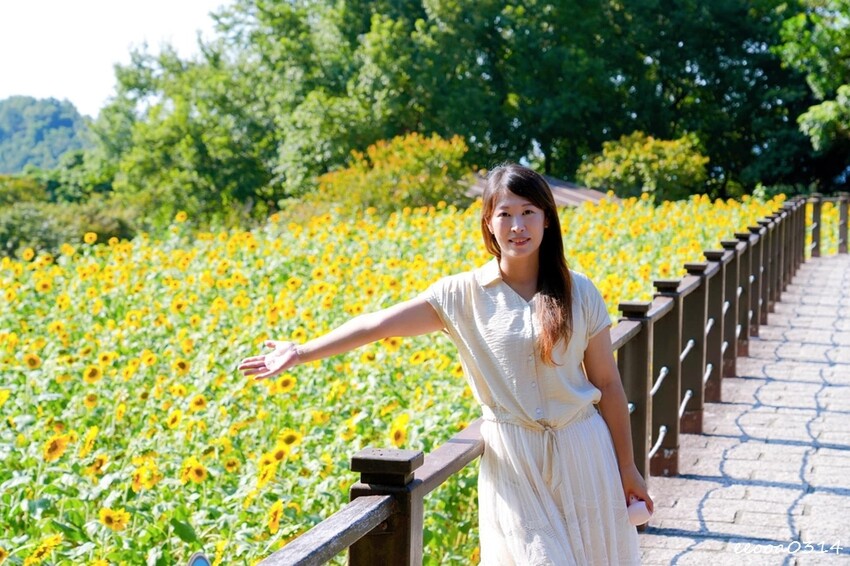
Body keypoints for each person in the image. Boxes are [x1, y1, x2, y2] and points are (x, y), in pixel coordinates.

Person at [238, 163, 652, 565]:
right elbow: (378, 325)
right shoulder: (462, 294)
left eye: (528, 212)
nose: (517, 226)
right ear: (488, 223)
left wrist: (628, 468)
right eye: (504, 214)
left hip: (584, 451)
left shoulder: (579, 290)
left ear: (548, 219)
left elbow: (608, 385)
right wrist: (302, 350)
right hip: (515, 461)